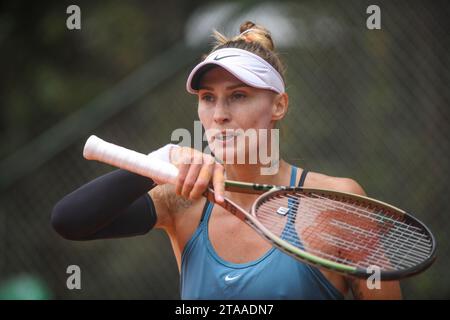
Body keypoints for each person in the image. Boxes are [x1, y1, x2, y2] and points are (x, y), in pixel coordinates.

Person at [51, 21, 402, 300]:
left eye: (238, 96)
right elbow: (70, 221)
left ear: (279, 105)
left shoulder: (336, 201)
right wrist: (160, 159)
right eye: (207, 97)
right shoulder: (181, 198)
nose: (219, 115)